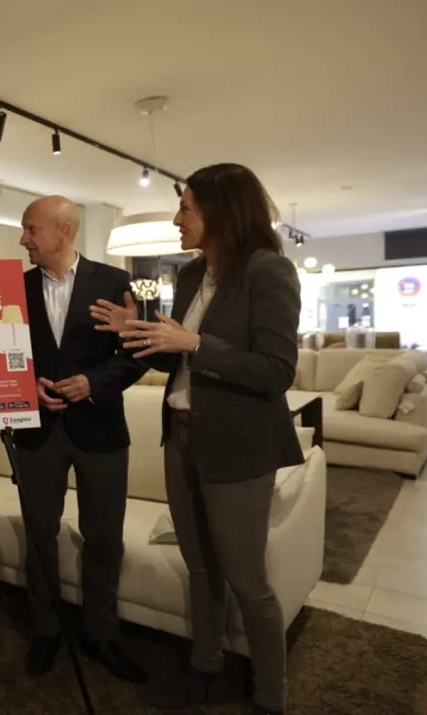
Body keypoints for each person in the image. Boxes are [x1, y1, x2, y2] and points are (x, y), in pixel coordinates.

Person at [91, 164, 302, 715]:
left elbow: (277, 371)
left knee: (248, 581)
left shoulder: (268, 271)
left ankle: (270, 696)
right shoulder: (189, 275)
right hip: (181, 439)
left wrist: (196, 343)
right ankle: (205, 667)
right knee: (200, 566)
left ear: (221, 210)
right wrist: (137, 333)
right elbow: (177, 358)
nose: (176, 219)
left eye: (185, 207)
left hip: (239, 447)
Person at [13, 195, 148, 682]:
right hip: (36, 431)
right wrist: (25, 384)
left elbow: (137, 352)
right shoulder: (14, 288)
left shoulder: (113, 283)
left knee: (105, 538)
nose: (23, 239)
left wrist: (93, 383)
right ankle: (46, 630)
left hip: (101, 429)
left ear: (63, 231)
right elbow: (0, 354)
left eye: (31, 229)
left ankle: (101, 634)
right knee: (39, 537)